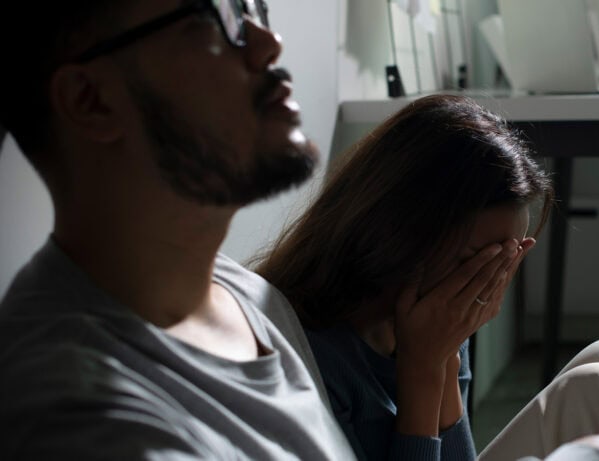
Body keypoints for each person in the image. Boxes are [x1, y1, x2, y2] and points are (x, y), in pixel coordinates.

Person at [0, 1, 380, 458]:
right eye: (216, 14)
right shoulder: (84, 424)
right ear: (91, 101)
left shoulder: (250, 298)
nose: (269, 43)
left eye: (253, 7)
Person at [255, 95, 599, 461]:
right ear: (400, 232)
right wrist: (423, 368)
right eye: (477, 259)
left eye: (508, 257)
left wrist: (441, 361)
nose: (490, 280)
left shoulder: (441, 308)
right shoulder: (309, 352)